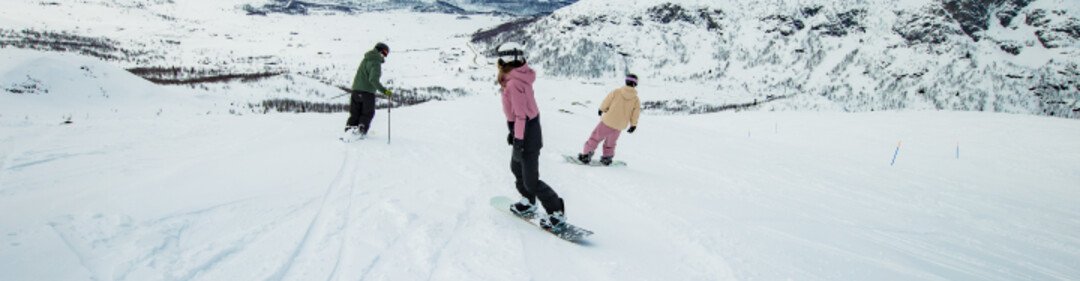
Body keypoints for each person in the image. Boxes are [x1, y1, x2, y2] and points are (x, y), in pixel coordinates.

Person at [497, 42, 567, 229]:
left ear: (505, 59)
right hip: (524, 128)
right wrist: (513, 132)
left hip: (527, 131)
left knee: (531, 180)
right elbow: (521, 111)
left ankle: (556, 210)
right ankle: (528, 201)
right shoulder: (520, 76)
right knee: (516, 168)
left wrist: (519, 139)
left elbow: (521, 115)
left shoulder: (513, 83)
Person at [577, 74, 641, 166]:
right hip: (619, 126)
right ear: (635, 85)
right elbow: (635, 113)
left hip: (608, 121)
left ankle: (586, 155)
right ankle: (607, 158)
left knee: (595, 138)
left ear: (626, 82)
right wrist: (633, 125)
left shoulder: (616, 92)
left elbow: (607, 101)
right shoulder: (636, 99)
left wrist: (601, 109)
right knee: (611, 142)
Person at [345, 42, 393, 138]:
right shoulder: (376, 62)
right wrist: (385, 91)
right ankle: (360, 132)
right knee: (367, 113)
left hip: (356, 91)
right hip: (367, 93)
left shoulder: (365, 59)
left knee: (355, 113)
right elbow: (373, 80)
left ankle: (349, 132)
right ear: (379, 51)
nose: (384, 56)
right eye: (384, 53)